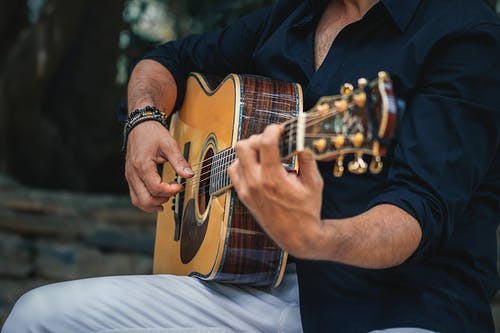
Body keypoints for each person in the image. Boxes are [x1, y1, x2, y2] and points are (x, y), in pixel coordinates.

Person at [3, 0, 500, 332]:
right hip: (263, 284)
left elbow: (419, 211)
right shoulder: (291, 16)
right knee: (38, 316)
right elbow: (166, 60)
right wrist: (144, 120)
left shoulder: (461, 33)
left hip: (401, 308)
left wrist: (316, 237)